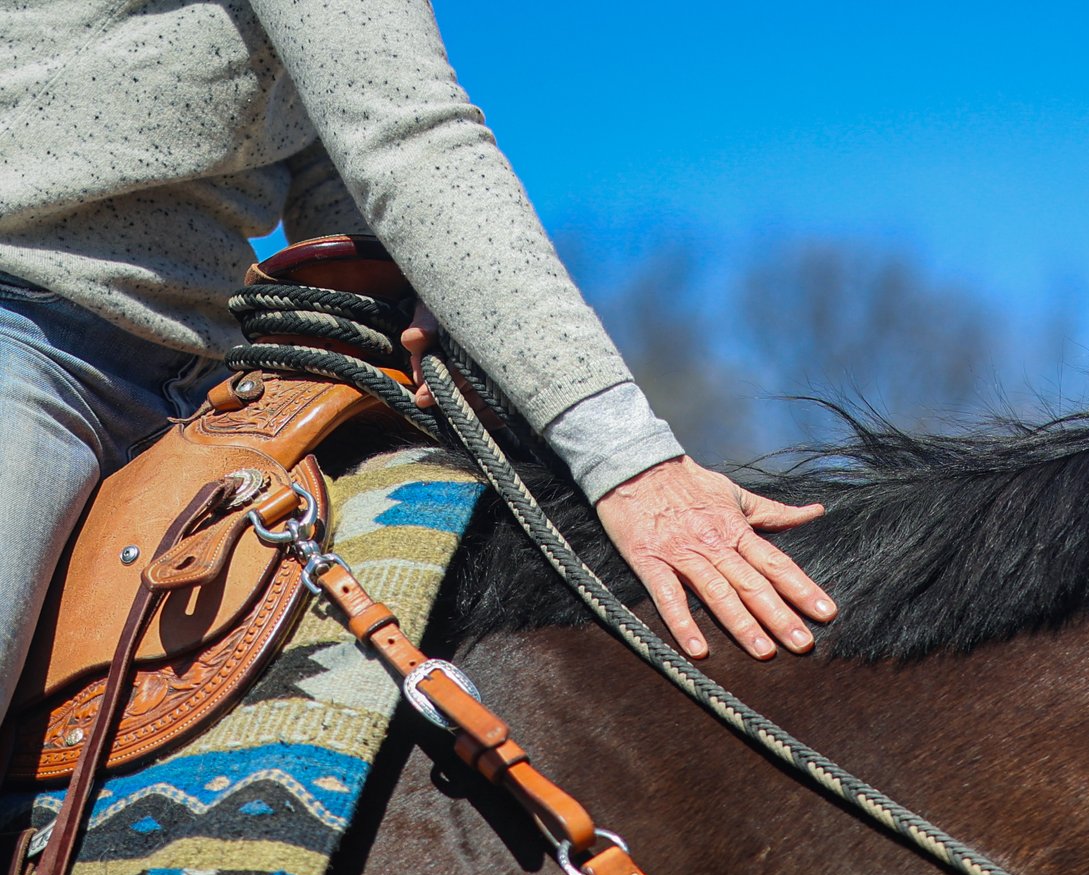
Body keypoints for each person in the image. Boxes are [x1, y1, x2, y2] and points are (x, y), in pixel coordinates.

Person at [0, 0, 833, 701]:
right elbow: (408, 136)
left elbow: (337, 155)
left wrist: (409, 275)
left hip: (203, 376)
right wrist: (629, 461)